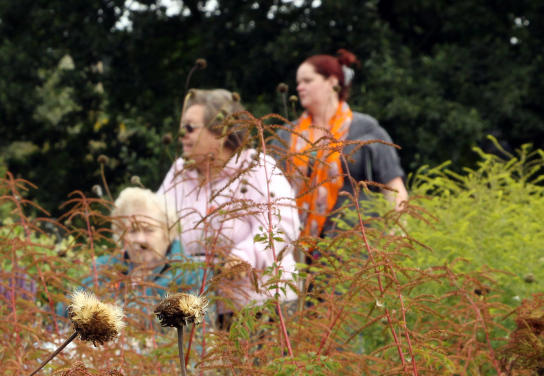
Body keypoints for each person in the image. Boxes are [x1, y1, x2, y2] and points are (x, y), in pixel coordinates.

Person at [158, 89, 300, 320]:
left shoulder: (258, 167)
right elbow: (157, 223)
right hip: (197, 307)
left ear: (221, 133)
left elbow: (282, 226)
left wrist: (243, 257)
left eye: (190, 128)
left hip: (263, 306)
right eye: (182, 128)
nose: (182, 135)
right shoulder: (178, 173)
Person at [285, 50, 408, 240]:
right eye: (298, 83)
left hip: (356, 247)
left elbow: (393, 186)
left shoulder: (365, 130)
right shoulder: (287, 134)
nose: (300, 88)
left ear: (332, 82)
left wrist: (398, 230)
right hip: (298, 251)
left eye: (307, 81)